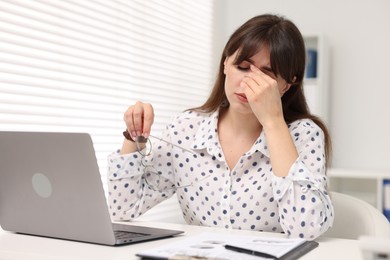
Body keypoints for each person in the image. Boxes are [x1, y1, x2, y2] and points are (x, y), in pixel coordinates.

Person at [107, 14, 334, 240]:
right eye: (243, 67)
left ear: (286, 85)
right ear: (226, 64)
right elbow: (124, 209)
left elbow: (307, 228)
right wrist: (133, 134)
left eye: (266, 75)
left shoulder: (304, 135)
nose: (248, 83)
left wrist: (273, 122)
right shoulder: (186, 128)